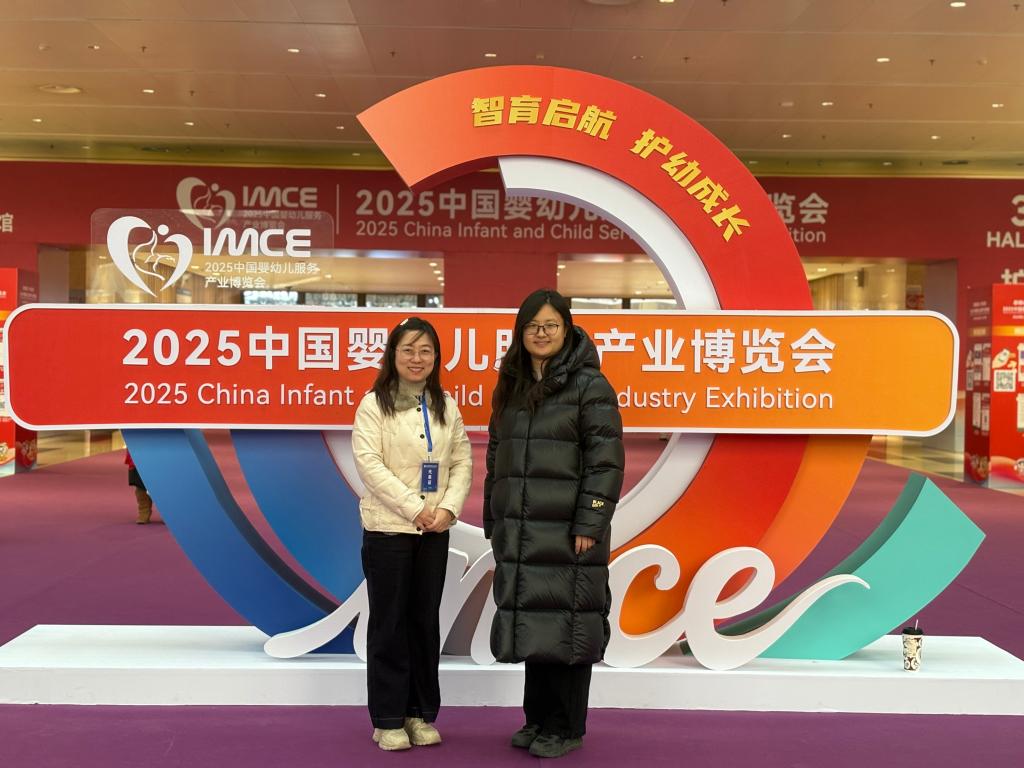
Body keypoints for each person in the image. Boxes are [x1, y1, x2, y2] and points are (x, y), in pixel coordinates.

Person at [484, 288, 625, 759]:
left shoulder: (590, 386)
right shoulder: (512, 385)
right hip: (522, 529)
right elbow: (496, 456)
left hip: (570, 530)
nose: (540, 334)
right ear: (520, 332)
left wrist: (591, 521)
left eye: (550, 325)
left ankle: (565, 727)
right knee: (536, 623)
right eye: (532, 326)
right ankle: (538, 719)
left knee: (570, 625)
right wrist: (494, 517)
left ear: (567, 329)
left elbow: (606, 463)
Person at [352, 316, 473, 752]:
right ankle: (387, 719)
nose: (417, 358)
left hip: (434, 531)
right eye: (408, 350)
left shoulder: (446, 405)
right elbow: (369, 464)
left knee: (424, 622)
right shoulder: (373, 405)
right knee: (390, 623)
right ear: (393, 355)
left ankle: (420, 713)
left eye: (425, 351)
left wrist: (447, 509)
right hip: (388, 530)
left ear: (436, 357)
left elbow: (462, 460)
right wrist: (415, 507)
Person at [125, 450, 153, 524]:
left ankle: (166, 513)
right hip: (140, 450)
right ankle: (144, 512)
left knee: (163, 486)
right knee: (140, 485)